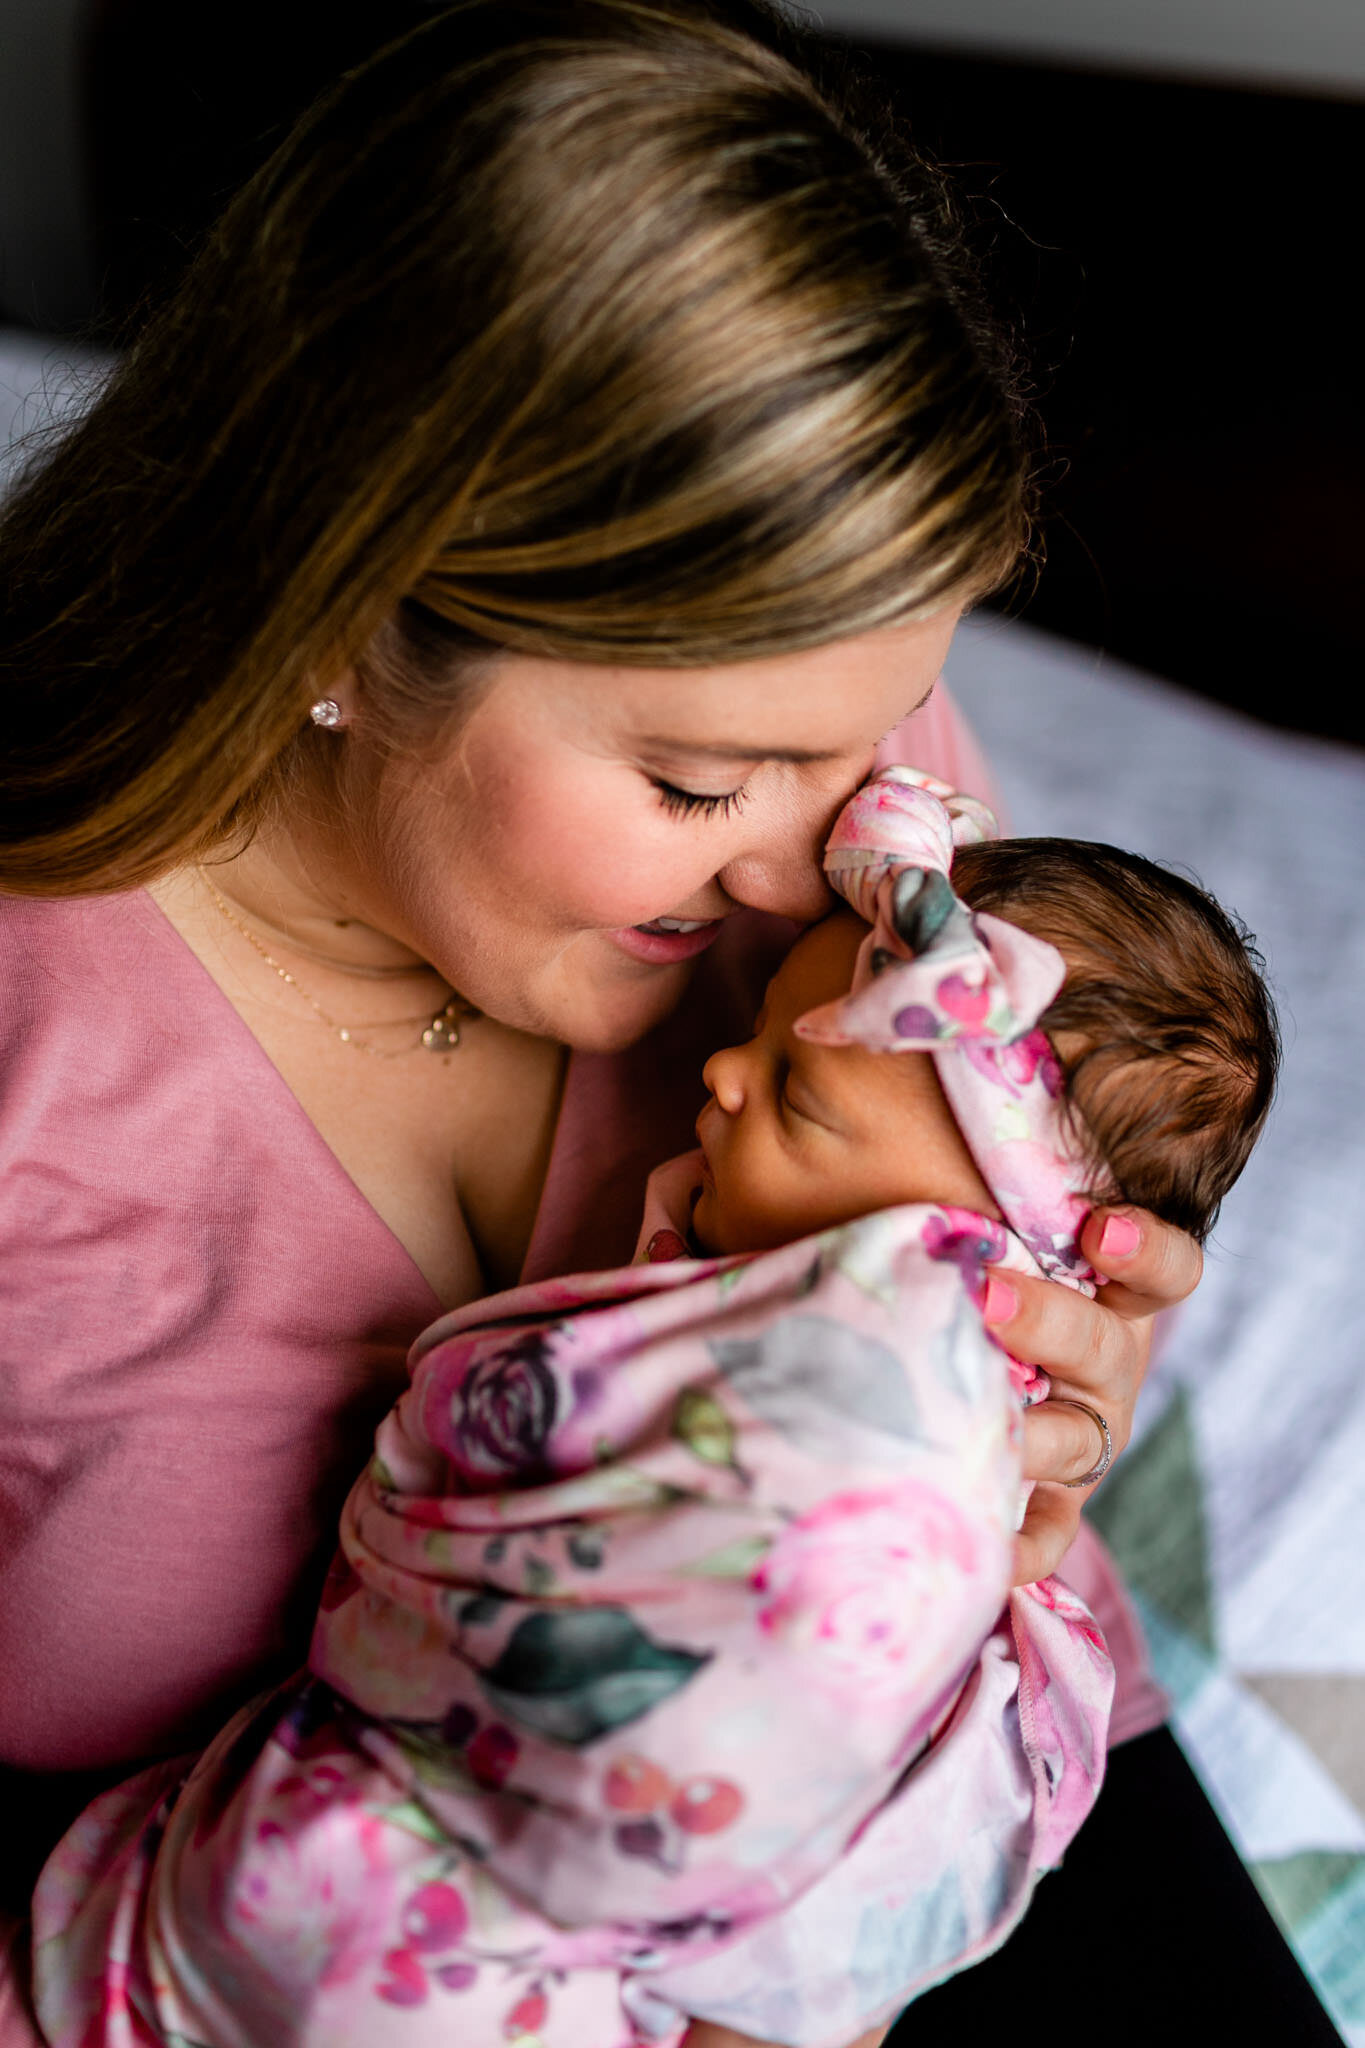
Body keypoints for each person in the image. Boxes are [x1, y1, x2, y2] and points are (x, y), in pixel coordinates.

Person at [3, 2, 1324, 2043]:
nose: (813, 882)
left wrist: (1056, 1402)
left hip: (906, 1853)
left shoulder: (863, 842)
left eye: (862, 735)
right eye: (703, 781)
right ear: (346, 609)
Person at [27, 767, 1278, 2048]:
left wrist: (1068, 1373)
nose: (727, 1069)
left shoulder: (943, 896)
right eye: (694, 777)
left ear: (975, 1248)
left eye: (798, 1094)